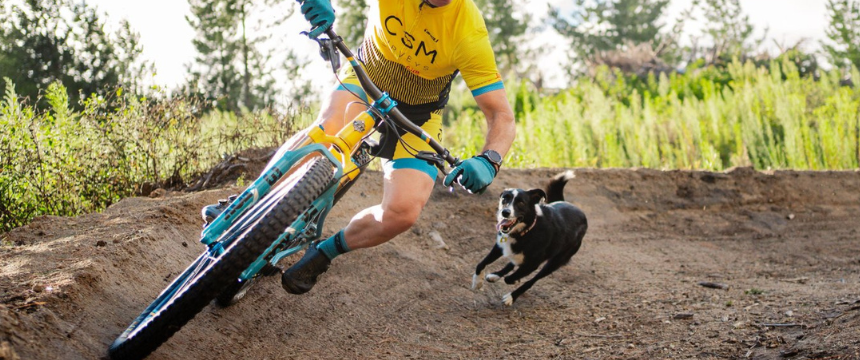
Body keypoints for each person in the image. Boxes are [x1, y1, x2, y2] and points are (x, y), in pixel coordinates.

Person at [207, 0, 516, 295]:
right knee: (328, 130)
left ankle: (324, 252)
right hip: (364, 79)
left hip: (417, 117)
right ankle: (248, 203)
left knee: (403, 211)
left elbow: (501, 115)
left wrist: (489, 160)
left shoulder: (468, 30)